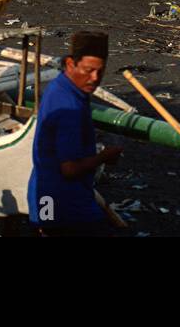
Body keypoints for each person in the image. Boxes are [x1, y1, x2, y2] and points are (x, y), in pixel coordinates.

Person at [27, 30, 123, 236]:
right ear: (70, 64)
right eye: (89, 70)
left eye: (100, 71)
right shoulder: (69, 107)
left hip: (46, 196)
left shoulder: (61, 87)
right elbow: (69, 169)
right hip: (65, 204)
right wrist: (104, 157)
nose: (95, 79)